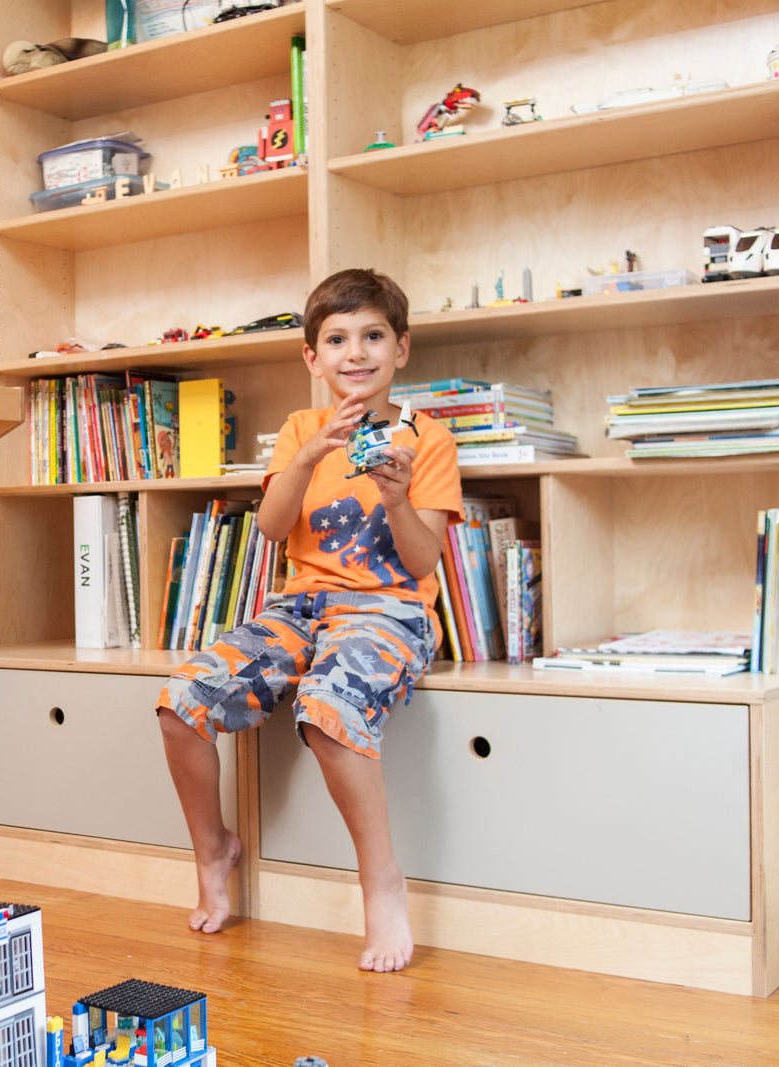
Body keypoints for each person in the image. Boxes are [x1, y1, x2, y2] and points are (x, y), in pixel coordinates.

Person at [156, 268, 463, 972]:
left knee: (326, 707)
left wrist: (394, 496)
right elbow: (268, 527)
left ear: (402, 348)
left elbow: (422, 564)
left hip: (390, 609)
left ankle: (381, 882)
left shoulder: (429, 439)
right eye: (336, 339)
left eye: (373, 336)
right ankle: (214, 850)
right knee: (179, 701)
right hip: (303, 608)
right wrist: (308, 455)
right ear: (312, 358)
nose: (355, 353)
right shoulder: (299, 428)